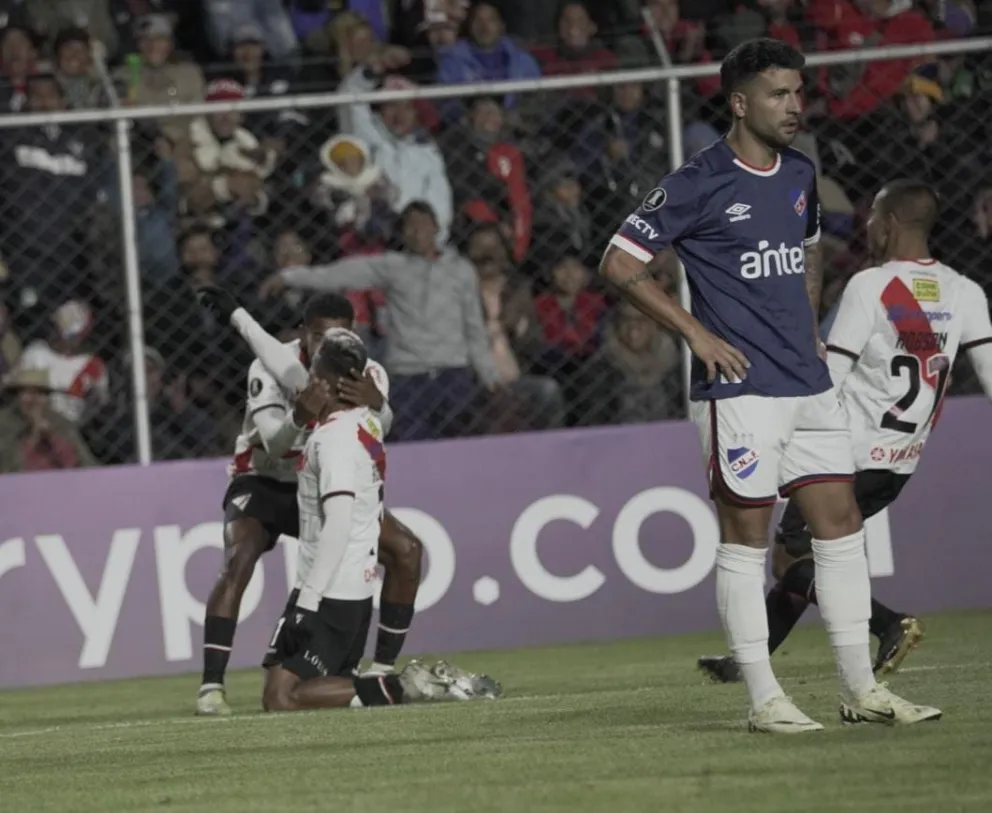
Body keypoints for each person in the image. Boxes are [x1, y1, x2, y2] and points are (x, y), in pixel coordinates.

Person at [599, 38, 940, 733]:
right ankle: (764, 697)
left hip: (806, 382)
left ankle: (861, 689)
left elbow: (808, 248)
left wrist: (809, 324)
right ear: (739, 102)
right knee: (746, 539)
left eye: (798, 92)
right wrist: (695, 334)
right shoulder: (698, 180)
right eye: (779, 94)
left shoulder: (800, 173)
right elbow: (618, 260)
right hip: (741, 390)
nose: (795, 105)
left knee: (840, 530)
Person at [699, 179, 992, 682]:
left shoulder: (871, 286)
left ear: (892, 224)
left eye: (874, 217)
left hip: (847, 452)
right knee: (804, 553)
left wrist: (785, 431)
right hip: (900, 461)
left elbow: (829, 375)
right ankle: (749, 661)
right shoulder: (965, 292)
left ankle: (889, 624)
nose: (868, 226)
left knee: (791, 555)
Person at [194, 290, 424, 716]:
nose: (326, 345)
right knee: (238, 558)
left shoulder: (365, 377)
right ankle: (212, 686)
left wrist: (380, 406)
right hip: (264, 480)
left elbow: (377, 425)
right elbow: (276, 443)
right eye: (318, 335)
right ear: (304, 334)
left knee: (407, 550)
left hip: (319, 486)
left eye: (337, 335)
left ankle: (384, 674)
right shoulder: (274, 367)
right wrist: (298, 416)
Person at [257, 326, 500, 711]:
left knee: (280, 699)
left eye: (315, 373)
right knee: (317, 691)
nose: (306, 384)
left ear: (331, 383)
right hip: (349, 585)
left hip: (331, 591)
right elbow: (284, 365)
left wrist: (307, 601)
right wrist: (241, 320)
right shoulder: (366, 419)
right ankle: (390, 687)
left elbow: (337, 524)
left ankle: (414, 686)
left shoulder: (333, 441)